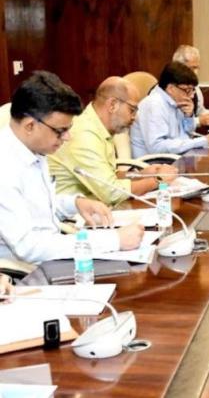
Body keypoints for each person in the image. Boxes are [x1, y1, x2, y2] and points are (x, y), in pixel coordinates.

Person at [0, 71, 145, 263]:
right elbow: (28, 247)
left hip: (52, 253)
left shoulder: (34, 149)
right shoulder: (5, 167)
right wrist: (113, 240)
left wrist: (75, 203)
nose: (67, 137)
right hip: (26, 271)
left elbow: (36, 207)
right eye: (60, 131)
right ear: (30, 126)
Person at [49, 77, 178, 204]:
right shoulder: (84, 135)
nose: (135, 117)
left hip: (95, 207)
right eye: (132, 110)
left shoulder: (99, 126)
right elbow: (112, 193)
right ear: (112, 105)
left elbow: (109, 177)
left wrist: (140, 175)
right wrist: (157, 180)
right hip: (74, 214)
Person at [130, 61, 209, 157]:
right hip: (155, 162)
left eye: (193, 90)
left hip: (174, 157)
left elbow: (185, 135)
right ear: (171, 88)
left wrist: (188, 116)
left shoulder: (176, 101)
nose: (192, 96)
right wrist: (198, 142)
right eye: (188, 90)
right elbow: (157, 148)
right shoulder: (154, 105)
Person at [172, 45, 209, 127]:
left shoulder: (195, 88)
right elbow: (174, 126)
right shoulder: (167, 91)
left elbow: (199, 111)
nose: (195, 73)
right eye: (191, 68)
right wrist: (198, 121)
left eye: (196, 68)